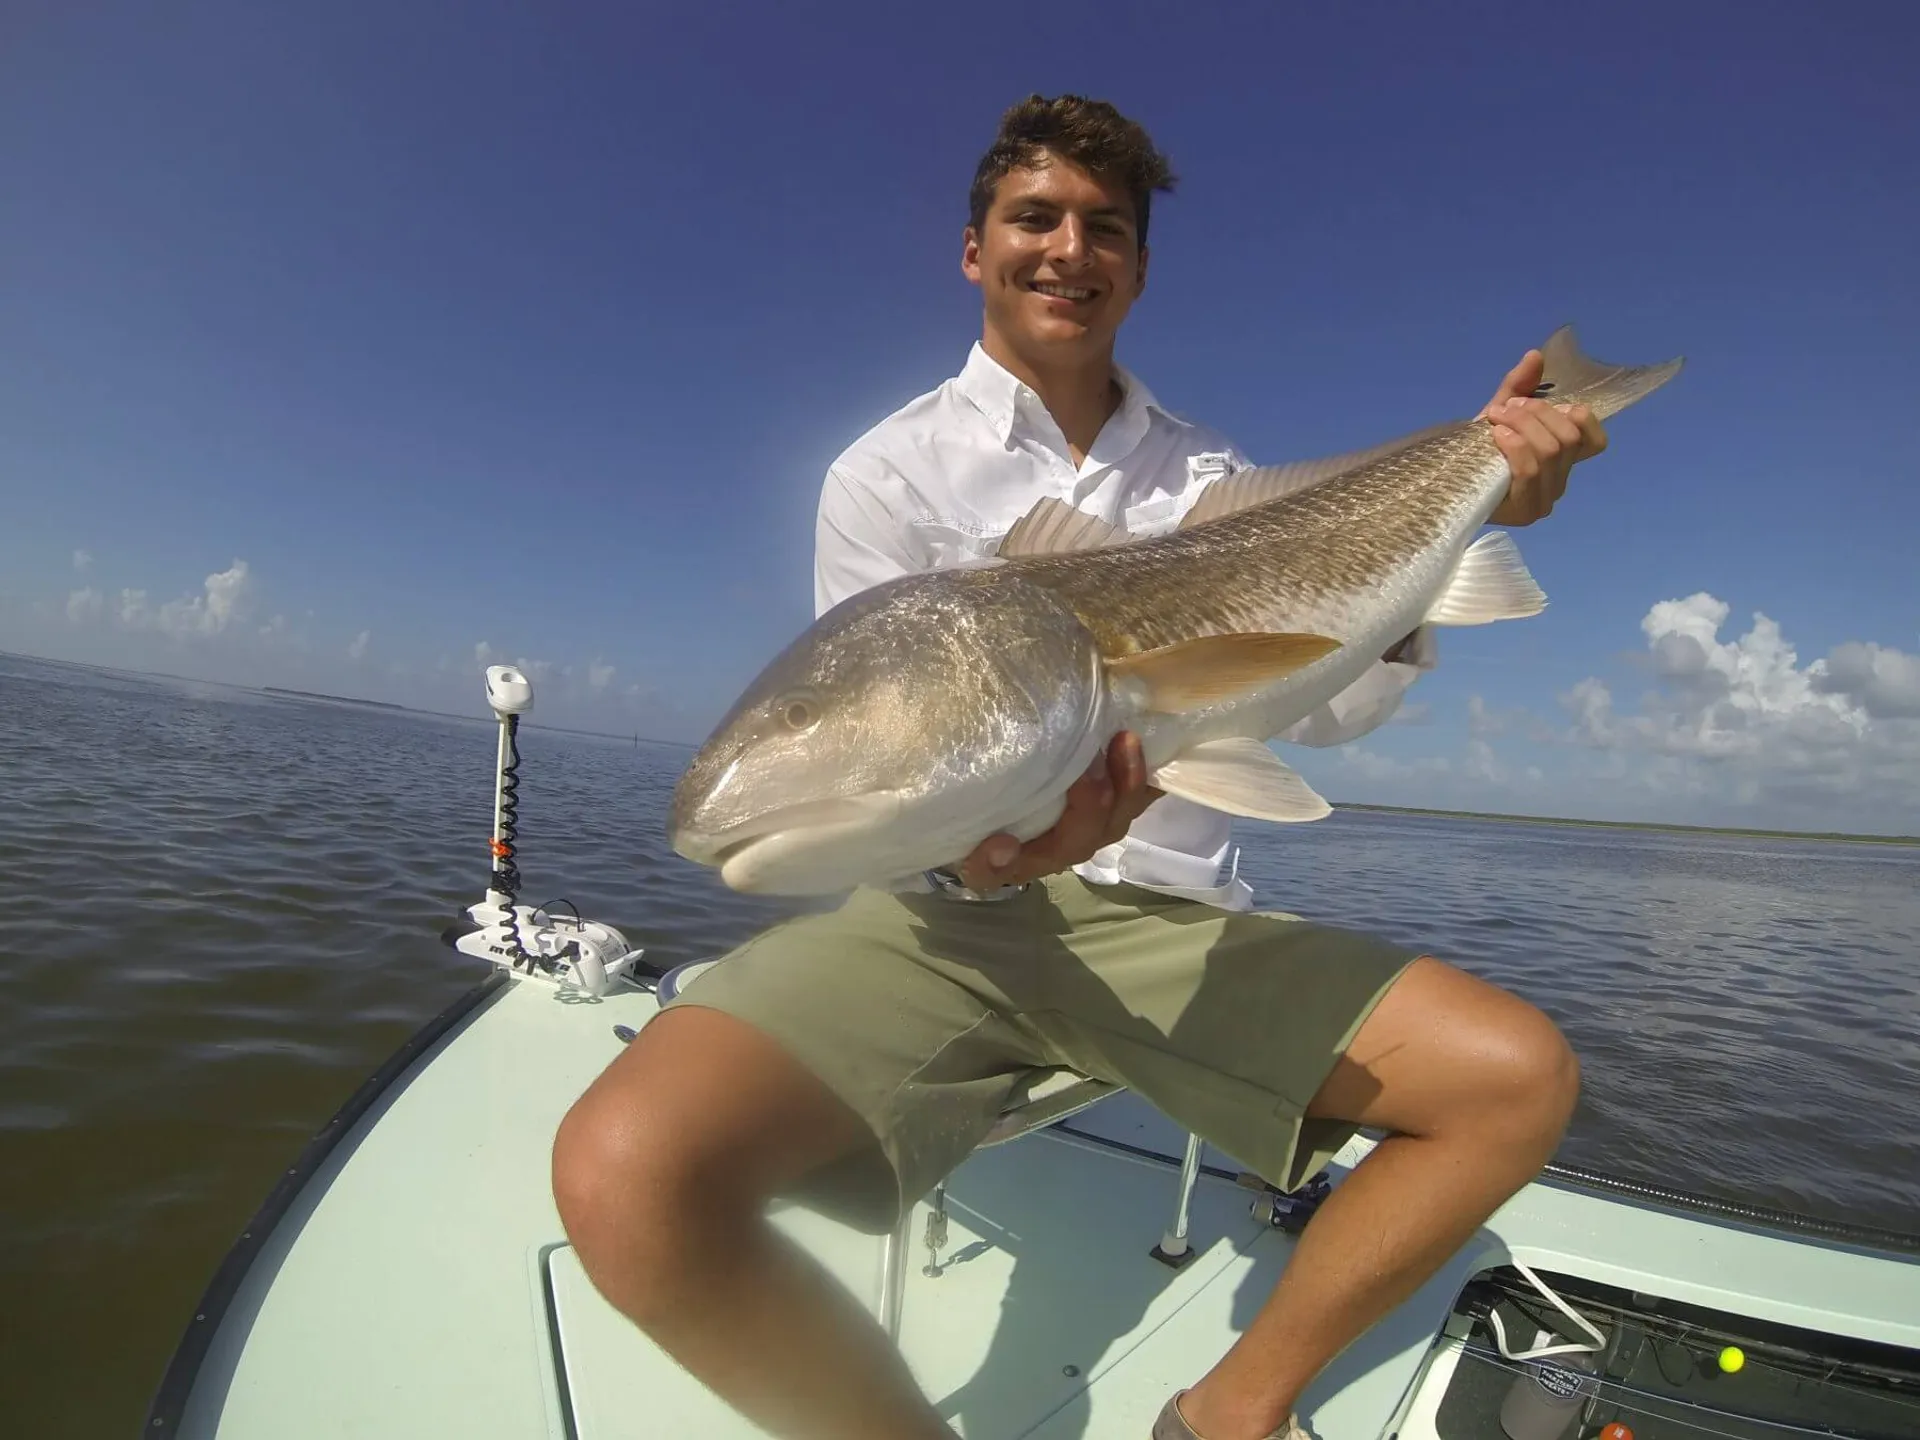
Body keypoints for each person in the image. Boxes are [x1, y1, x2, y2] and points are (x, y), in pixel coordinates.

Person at [554, 95, 1604, 1440]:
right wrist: (981, 851)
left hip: (1173, 918)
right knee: (624, 1172)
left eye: (1102, 227)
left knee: (1519, 1078)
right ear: (975, 249)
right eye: (1032, 218)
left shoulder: (1218, 479)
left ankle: (1228, 1412)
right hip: (939, 919)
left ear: (1139, 268)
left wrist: (1468, 510)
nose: (1067, 248)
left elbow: (1325, 723)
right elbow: (901, 753)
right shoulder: (884, 472)